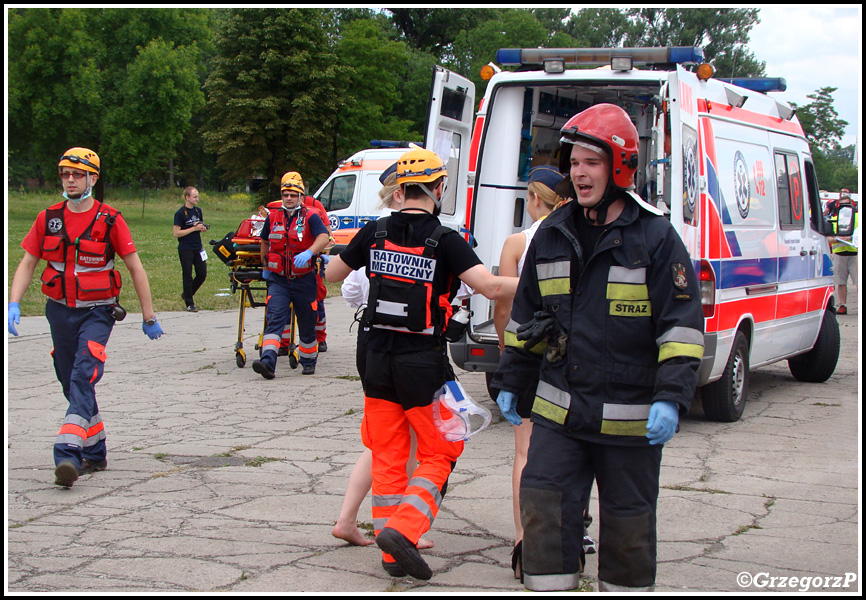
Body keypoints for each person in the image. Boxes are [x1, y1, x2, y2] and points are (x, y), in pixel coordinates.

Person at [491, 104, 705, 592]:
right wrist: (511, 380)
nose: (579, 172)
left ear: (620, 165)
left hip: (629, 422)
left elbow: (681, 325)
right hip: (559, 416)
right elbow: (527, 319)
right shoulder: (552, 233)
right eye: (574, 162)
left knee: (628, 532)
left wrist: (672, 397)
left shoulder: (655, 237)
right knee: (543, 512)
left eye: (591, 161)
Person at [325, 147, 518, 580]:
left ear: (400, 190)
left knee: (389, 453)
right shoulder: (446, 239)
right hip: (421, 363)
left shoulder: (373, 232)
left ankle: (392, 550)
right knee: (443, 447)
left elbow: (333, 275)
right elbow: (487, 286)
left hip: (374, 358)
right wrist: (544, 285)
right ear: (439, 188)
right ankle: (406, 529)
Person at [7, 147, 164, 488]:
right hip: (59, 311)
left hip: (98, 311)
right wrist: (13, 303)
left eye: (78, 174)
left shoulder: (110, 219)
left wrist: (149, 316)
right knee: (69, 380)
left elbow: (135, 268)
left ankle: (68, 451)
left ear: (93, 178)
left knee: (83, 374)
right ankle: (96, 450)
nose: (71, 179)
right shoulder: (47, 217)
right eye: (65, 174)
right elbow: (27, 263)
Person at [332, 162, 432, 551]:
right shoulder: (415, 233)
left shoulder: (373, 230)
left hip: (372, 342)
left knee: (381, 439)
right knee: (399, 440)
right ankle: (401, 528)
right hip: (409, 347)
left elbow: (350, 289)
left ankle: (349, 519)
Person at [491, 164, 571, 577]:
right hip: (565, 356)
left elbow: (506, 304)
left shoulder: (518, 242)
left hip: (528, 351)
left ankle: (523, 537)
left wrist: (508, 348)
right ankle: (572, 530)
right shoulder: (573, 233)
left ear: (534, 199)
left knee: (525, 450)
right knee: (566, 449)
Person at [252, 171, 330, 378]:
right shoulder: (273, 217)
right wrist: (266, 266)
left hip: (304, 279)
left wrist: (309, 252)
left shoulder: (311, 216)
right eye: (285, 194)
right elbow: (265, 241)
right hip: (279, 280)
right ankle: (267, 361)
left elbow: (324, 236)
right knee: (275, 317)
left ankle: (308, 359)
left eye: (293, 195)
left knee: (306, 320)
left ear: (301, 197)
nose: (289, 198)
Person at [173, 186, 208, 312]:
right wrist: (193, 229)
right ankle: (189, 303)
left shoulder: (198, 211)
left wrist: (202, 228)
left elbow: (200, 225)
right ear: (187, 198)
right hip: (185, 248)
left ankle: (187, 293)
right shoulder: (180, 213)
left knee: (202, 273)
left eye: (197, 196)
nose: (197, 199)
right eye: (194, 197)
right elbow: (176, 233)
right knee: (187, 274)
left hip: (197, 247)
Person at [827, 190, 858, 315]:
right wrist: (836, 239)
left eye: (847, 205)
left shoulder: (857, 218)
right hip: (840, 254)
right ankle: (842, 305)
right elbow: (827, 237)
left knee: (858, 282)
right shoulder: (834, 219)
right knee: (840, 282)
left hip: (855, 254)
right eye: (842, 206)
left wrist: (851, 238)